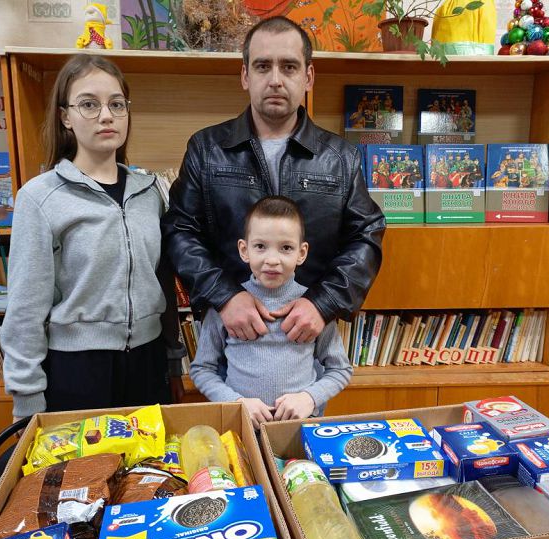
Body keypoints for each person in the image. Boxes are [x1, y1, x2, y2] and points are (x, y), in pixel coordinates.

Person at [163, 16, 385, 349]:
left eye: (289, 67)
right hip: (230, 337)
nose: (276, 80)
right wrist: (225, 297)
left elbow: (365, 236)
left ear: (308, 77)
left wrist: (322, 304)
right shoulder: (207, 150)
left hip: (307, 341)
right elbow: (180, 231)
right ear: (245, 75)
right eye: (263, 66)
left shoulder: (341, 158)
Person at [1, 54, 184, 422]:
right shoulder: (40, 197)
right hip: (77, 370)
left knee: (150, 460)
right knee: (85, 460)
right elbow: (25, 308)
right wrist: (27, 398)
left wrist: (173, 359)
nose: (106, 116)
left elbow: (162, 282)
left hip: (148, 363)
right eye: (89, 104)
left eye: (117, 104)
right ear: (65, 116)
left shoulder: (150, 192)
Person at [190, 196, 352, 428]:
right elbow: (202, 369)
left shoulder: (313, 309)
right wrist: (236, 403)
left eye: (286, 248)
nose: (272, 260)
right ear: (244, 250)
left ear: (301, 253)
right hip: (242, 425)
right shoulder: (225, 308)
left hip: (300, 427)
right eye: (260, 246)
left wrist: (309, 398)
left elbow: (340, 369)